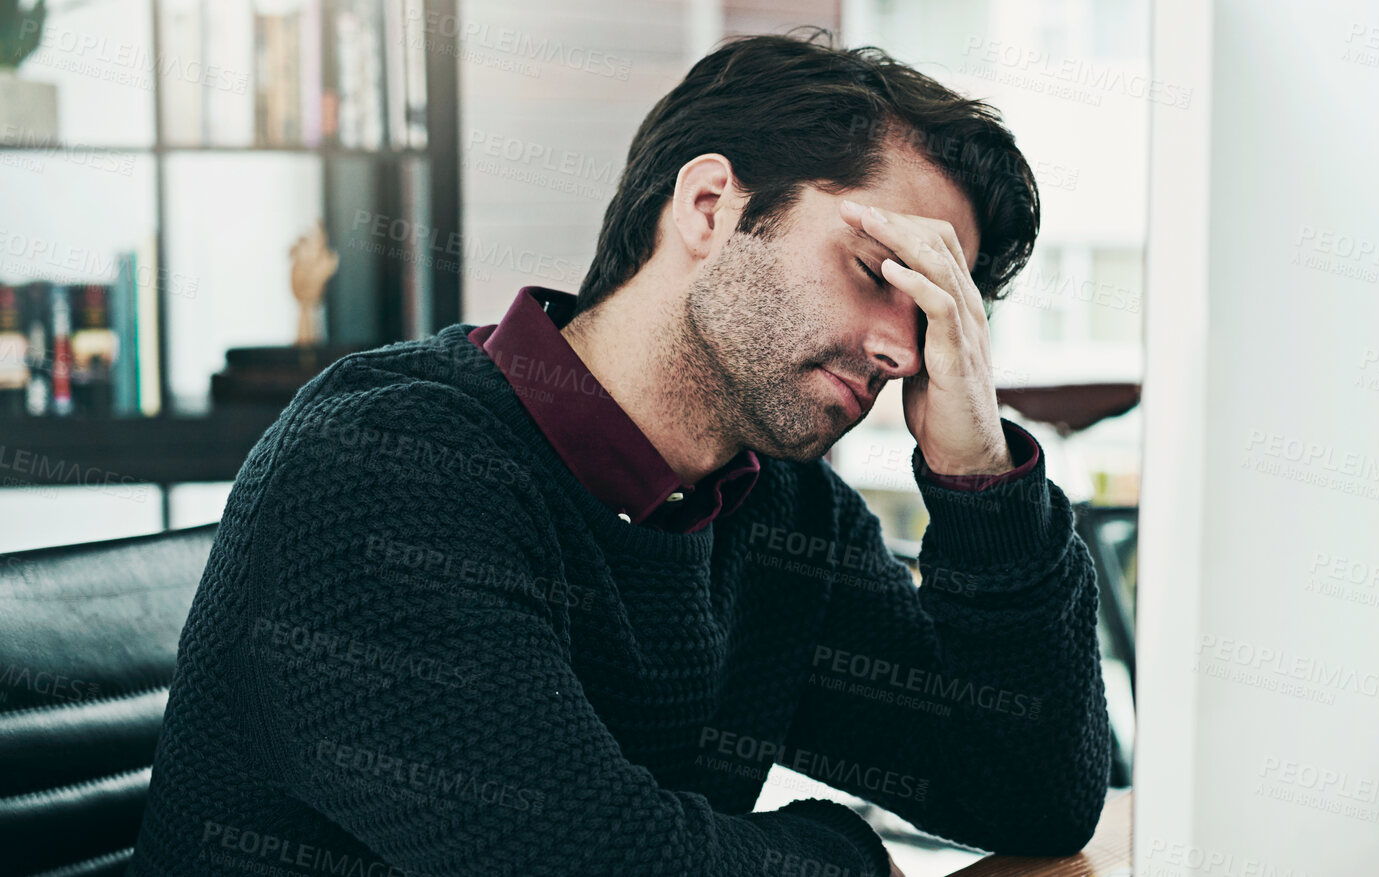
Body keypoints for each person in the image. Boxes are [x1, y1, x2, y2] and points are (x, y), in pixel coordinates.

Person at [129, 29, 1111, 877]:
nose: (906, 349)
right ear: (709, 207)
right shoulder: (382, 471)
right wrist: (849, 852)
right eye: (876, 273)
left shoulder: (775, 509)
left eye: (937, 308)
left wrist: (980, 478)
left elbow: (1032, 798)